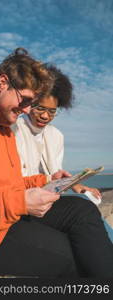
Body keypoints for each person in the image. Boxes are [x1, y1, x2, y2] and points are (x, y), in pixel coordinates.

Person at [0, 48, 113, 278]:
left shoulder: (3, 127)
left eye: (31, 103)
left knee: (82, 210)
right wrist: (19, 202)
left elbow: (9, 183)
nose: (27, 110)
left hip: (5, 215)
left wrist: (46, 180)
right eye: (25, 100)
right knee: (71, 256)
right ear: (3, 82)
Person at [12, 63, 113, 242]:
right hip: (25, 204)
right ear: (29, 103)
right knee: (87, 217)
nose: (45, 116)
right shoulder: (14, 129)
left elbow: (56, 172)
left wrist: (78, 186)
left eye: (52, 111)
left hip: (49, 200)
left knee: (93, 218)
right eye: (40, 108)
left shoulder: (56, 135)